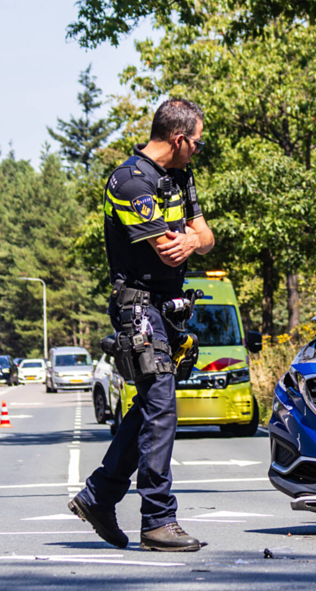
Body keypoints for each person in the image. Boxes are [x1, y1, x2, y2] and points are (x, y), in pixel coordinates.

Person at [69, 98, 214, 552]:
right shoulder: (130, 182)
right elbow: (169, 247)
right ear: (178, 139)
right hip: (138, 308)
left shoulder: (180, 177)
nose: (198, 150)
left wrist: (193, 237)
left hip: (168, 308)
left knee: (152, 406)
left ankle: (99, 496)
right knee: (161, 407)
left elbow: (205, 238)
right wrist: (192, 237)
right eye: (197, 143)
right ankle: (157, 520)